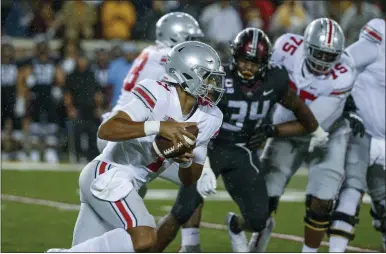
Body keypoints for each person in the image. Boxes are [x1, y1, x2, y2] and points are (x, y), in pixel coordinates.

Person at [155, 28, 329, 253]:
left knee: (259, 219)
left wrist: (275, 130)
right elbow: (195, 121)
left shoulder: (275, 81)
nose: (247, 68)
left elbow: (300, 111)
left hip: (242, 151)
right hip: (211, 147)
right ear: (234, 56)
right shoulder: (218, 79)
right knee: (182, 210)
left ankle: (235, 226)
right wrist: (203, 163)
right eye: (244, 61)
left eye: (254, 63)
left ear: (265, 63)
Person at [47, 41, 225, 253]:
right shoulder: (157, 92)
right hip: (107, 174)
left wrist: (185, 161)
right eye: (207, 76)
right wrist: (158, 126)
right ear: (186, 73)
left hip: (126, 185)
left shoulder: (210, 117)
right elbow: (107, 130)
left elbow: (189, 179)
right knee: (146, 240)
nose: (213, 83)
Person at [251, 18, 357, 253]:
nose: (323, 61)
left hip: (327, 134)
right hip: (284, 129)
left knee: (321, 202)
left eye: (330, 56)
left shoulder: (343, 75)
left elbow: (310, 122)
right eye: (319, 53)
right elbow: (264, 81)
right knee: (264, 199)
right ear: (306, 46)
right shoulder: (286, 47)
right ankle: (256, 245)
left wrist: (269, 130)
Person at [328, 18, 385, 252]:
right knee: (352, 191)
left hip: (384, 141)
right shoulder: (378, 38)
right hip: (363, 132)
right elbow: (340, 63)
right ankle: (335, 250)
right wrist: (347, 101)